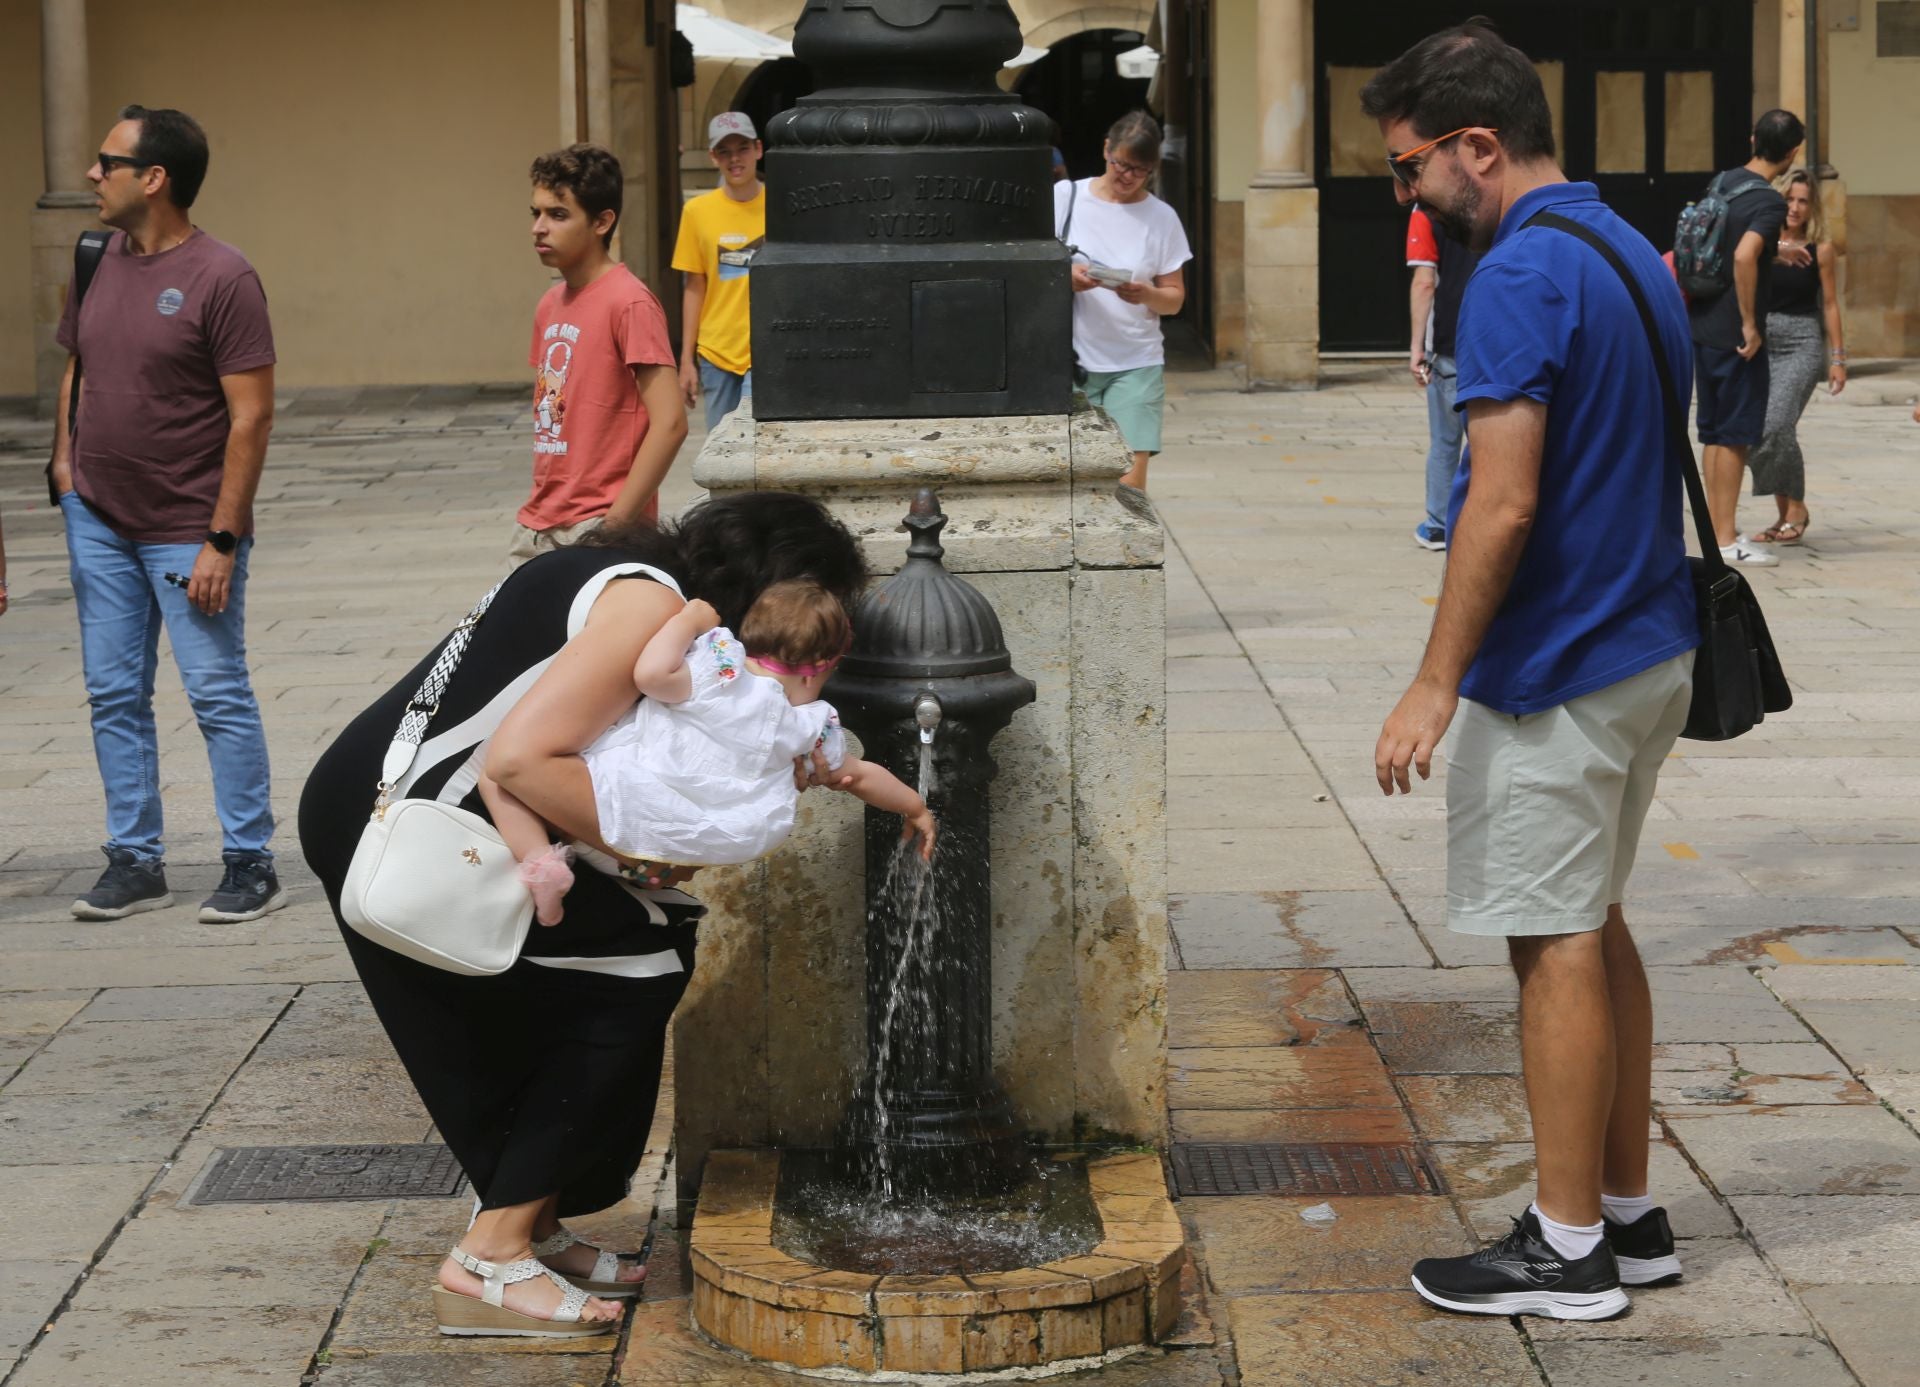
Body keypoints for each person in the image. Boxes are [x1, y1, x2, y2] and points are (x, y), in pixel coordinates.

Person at [299, 492, 869, 1338]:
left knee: (622, 951)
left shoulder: (601, 570)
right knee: (633, 975)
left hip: (376, 801)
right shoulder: (650, 607)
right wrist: (657, 856)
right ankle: (489, 1257)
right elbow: (524, 759)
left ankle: (532, 1224)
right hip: (419, 829)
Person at [1364, 19, 1699, 1321]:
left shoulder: (1510, 277)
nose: (1403, 194)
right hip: (1647, 645)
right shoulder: (1627, 248)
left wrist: (1435, 679)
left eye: (1408, 169)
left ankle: (1566, 1252)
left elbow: (1499, 505)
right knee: (1598, 915)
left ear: (1477, 148)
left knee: (1552, 936)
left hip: (1552, 665)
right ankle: (1627, 1212)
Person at [51, 104, 286, 925]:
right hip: (99, 515)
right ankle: (134, 859)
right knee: (114, 692)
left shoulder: (225, 277)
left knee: (216, 691)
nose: (91, 174)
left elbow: (251, 416)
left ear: (154, 179)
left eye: (105, 162)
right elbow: (77, 365)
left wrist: (223, 536)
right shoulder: (93, 258)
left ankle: (250, 860)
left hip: (189, 523)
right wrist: (65, 464)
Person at [480, 580, 934, 924]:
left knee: (494, 774)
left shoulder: (719, 670)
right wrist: (914, 806)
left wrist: (691, 621)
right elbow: (860, 775)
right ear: (822, 668)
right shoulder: (809, 726)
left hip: (632, 809)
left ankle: (542, 864)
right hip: (711, 839)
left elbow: (651, 675)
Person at [515, 145, 686, 564]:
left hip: (598, 527)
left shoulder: (629, 302)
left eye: (558, 215)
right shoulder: (549, 303)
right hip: (538, 525)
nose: (539, 227)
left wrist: (615, 527)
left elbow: (671, 423)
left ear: (602, 222)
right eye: (535, 213)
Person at [1053, 111, 1193, 496]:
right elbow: (1027, 270)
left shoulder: (1161, 218)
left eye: (1140, 170)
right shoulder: (1064, 199)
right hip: (1069, 360)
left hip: (1136, 363)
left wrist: (1145, 294)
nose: (1128, 176)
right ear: (1106, 150)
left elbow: (1174, 300)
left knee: (1127, 488)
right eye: (1122, 164)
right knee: (1070, 484)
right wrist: (1068, 279)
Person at [1690, 109, 1802, 567]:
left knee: (1715, 435)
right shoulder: (1771, 201)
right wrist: (1751, 325)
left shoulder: (1724, 181)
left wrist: (1777, 251)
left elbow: (1725, 240)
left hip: (1703, 325)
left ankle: (1718, 532)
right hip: (1737, 335)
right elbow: (1741, 254)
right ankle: (1725, 538)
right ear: (1793, 151)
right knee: (1735, 436)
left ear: (1753, 138)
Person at [1747, 169, 1844, 546]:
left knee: (1777, 424)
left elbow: (1832, 305)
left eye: (1803, 200)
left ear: (1812, 207)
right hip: (1763, 342)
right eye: (1789, 198)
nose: (1795, 207)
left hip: (1802, 342)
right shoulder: (1763, 245)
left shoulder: (1820, 248)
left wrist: (1838, 358)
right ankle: (1785, 514)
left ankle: (1797, 508)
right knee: (1759, 431)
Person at [673, 113, 764, 431]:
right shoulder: (697, 212)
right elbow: (694, 286)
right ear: (713, 157)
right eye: (724, 151)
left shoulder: (780, 206)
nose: (735, 159)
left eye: (742, 148)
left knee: (758, 452)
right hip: (717, 351)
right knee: (721, 453)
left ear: (759, 149)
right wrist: (686, 360)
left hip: (765, 349)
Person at [1406, 203, 1482, 550]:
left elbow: (1425, 283)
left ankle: (1438, 525)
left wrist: (1417, 347)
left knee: (1445, 441)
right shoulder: (1495, 196)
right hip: (1496, 335)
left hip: (1451, 340)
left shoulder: (1427, 210)